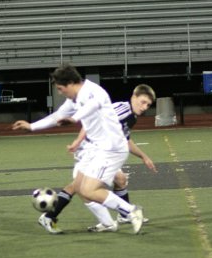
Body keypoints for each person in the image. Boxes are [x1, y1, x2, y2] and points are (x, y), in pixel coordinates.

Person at [12, 64, 144, 235]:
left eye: (61, 89)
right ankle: (107, 222)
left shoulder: (93, 92)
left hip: (111, 148)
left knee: (89, 190)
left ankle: (131, 211)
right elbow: (57, 116)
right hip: (96, 148)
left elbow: (93, 106)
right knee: (80, 187)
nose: (60, 93)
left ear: (71, 83)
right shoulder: (75, 98)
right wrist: (31, 127)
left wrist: (74, 118)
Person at [47, 84, 158, 233]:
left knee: (119, 179)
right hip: (90, 151)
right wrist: (78, 142)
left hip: (101, 151)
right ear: (134, 96)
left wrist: (144, 157)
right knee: (81, 187)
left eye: (148, 105)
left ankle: (123, 216)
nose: (144, 107)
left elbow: (125, 140)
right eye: (142, 102)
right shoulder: (122, 111)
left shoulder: (132, 116)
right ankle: (49, 216)